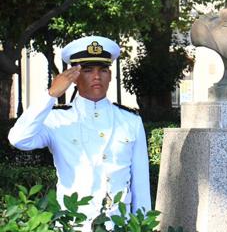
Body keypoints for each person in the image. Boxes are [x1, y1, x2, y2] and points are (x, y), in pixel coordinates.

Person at [8, 36, 151, 231]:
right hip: (73, 224)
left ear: (110, 76)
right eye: (87, 70)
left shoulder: (130, 121)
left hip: (118, 224)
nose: (97, 76)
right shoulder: (56, 119)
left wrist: (143, 226)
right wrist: (50, 95)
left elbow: (140, 185)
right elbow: (18, 139)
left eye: (103, 70)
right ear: (74, 78)